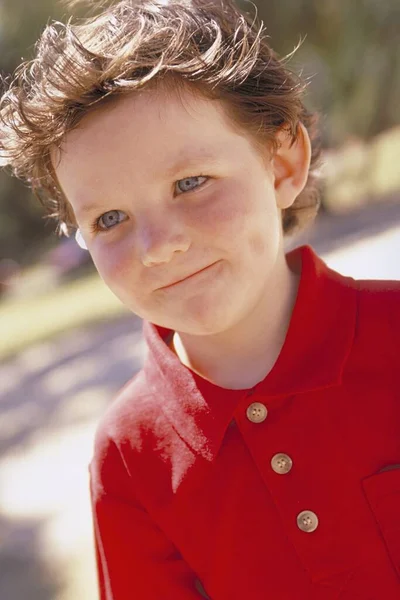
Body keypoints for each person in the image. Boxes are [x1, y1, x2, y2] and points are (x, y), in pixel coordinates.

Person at [1, 0, 399, 598]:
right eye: (109, 217)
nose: (158, 246)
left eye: (190, 183)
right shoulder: (128, 459)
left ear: (284, 163)